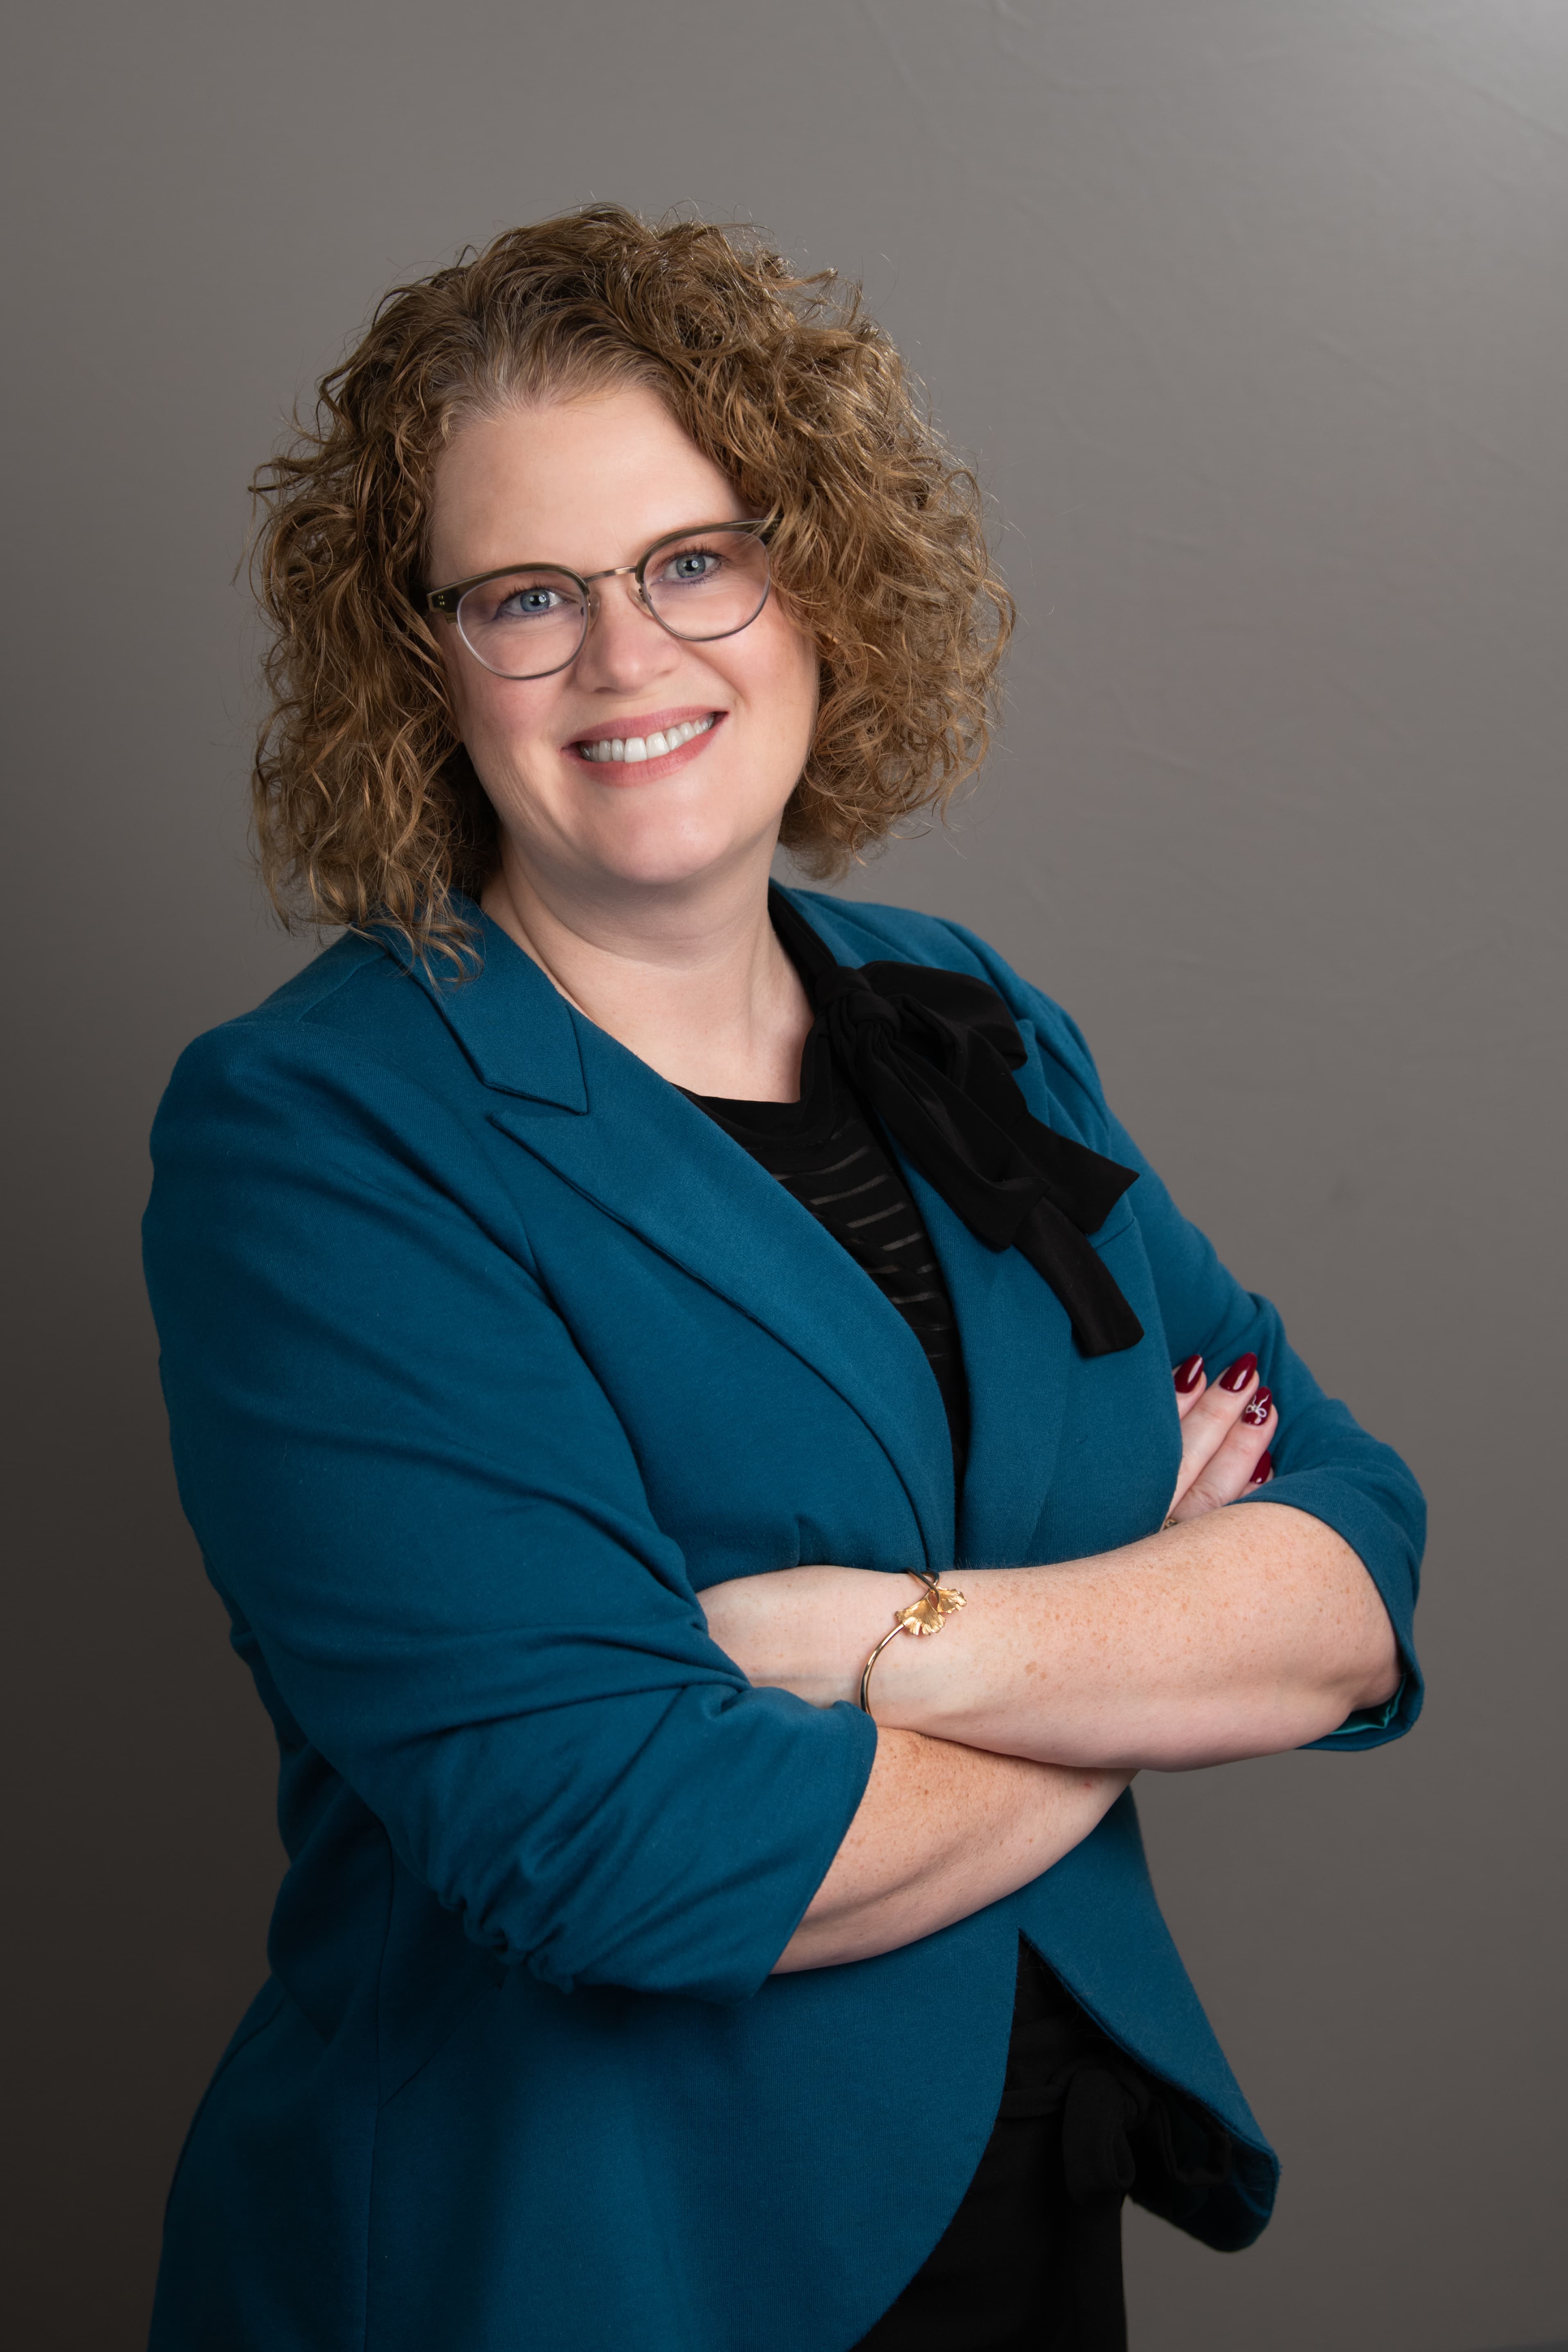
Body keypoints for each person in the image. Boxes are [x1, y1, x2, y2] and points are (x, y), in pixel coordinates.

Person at [141, 205, 1423, 2352]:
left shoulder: (958, 1011)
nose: (627, 660)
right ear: (420, 657)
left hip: (1032, 2200)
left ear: (816, 583)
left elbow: (1353, 1566)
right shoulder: (318, 1136)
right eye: (524, 596)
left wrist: (879, 1645)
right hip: (583, 2261)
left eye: (692, 561)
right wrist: (1147, 1680)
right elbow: (624, 1851)